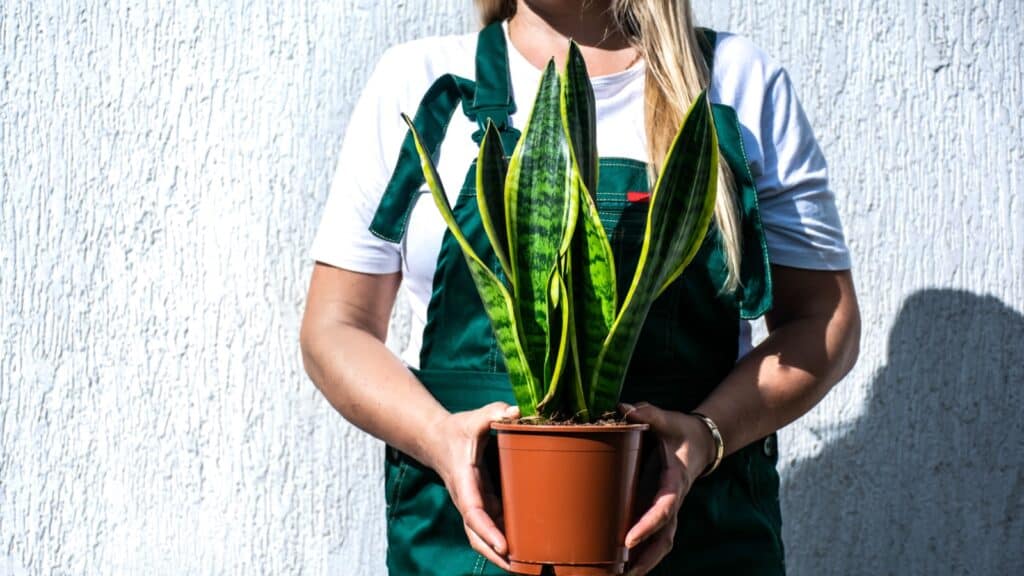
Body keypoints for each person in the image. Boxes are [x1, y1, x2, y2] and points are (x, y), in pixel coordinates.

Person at [300, 0, 861, 574]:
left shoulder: (734, 80)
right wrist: (437, 437)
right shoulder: (424, 82)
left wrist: (705, 438)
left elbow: (824, 318)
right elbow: (335, 327)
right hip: (460, 546)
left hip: (697, 540)